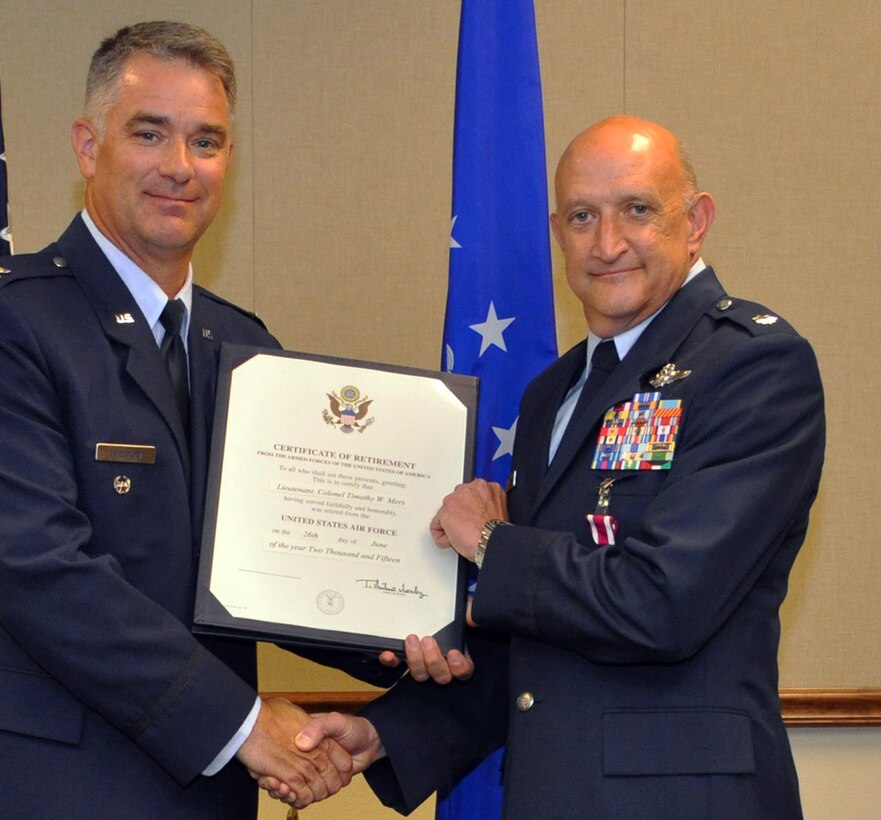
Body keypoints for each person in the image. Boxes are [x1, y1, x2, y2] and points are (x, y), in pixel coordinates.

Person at [281, 115, 826, 819]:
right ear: (557, 233)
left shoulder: (752, 365)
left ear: (695, 222)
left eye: (637, 209)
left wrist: (491, 542)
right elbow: (537, 639)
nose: (607, 243)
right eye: (581, 216)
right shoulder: (553, 395)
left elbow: (660, 604)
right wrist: (387, 733)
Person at [0, 21, 361, 819]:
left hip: (192, 793)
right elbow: (37, 567)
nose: (179, 166)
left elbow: (283, 567)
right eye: (149, 133)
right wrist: (243, 724)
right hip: (22, 789)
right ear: (87, 146)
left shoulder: (248, 351)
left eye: (205, 141)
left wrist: (413, 634)